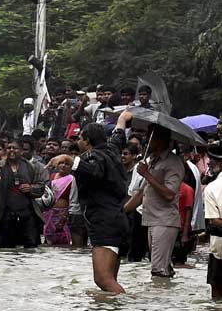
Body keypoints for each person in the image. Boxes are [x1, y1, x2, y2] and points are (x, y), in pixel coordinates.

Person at [50, 113, 131, 294]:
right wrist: (122, 120)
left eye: (79, 138)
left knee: (103, 279)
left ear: (86, 142)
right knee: (110, 279)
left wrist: (72, 161)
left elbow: (95, 172)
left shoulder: (93, 157)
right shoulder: (113, 149)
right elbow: (118, 136)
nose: (77, 142)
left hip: (104, 224)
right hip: (117, 220)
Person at [136, 124, 186, 278]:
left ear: (161, 139)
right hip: (151, 219)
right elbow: (142, 192)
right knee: (162, 266)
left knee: (158, 270)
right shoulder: (152, 161)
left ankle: (160, 299)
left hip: (164, 221)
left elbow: (170, 194)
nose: (146, 140)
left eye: (150, 136)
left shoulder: (173, 162)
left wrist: (147, 175)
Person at [0, 139, 46, 248]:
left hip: (27, 215)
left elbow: (41, 187)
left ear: (21, 151)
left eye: (15, 148)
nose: (11, 150)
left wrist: (31, 188)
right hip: (5, 215)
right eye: (9, 148)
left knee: (31, 248)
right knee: (7, 249)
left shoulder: (31, 167)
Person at [202, 145, 222, 298]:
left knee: (217, 292)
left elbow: (215, 221)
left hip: (219, 249)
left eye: (211, 160)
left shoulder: (212, 188)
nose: (208, 163)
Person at [44, 158, 76, 246]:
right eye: (61, 163)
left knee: (62, 240)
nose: (63, 165)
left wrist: (64, 218)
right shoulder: (52, 176)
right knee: (48, 240)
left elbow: (72, 200)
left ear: (71, 167)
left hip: (61, 215)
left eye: (67, 164)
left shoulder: (72, 180)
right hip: (49, 214)